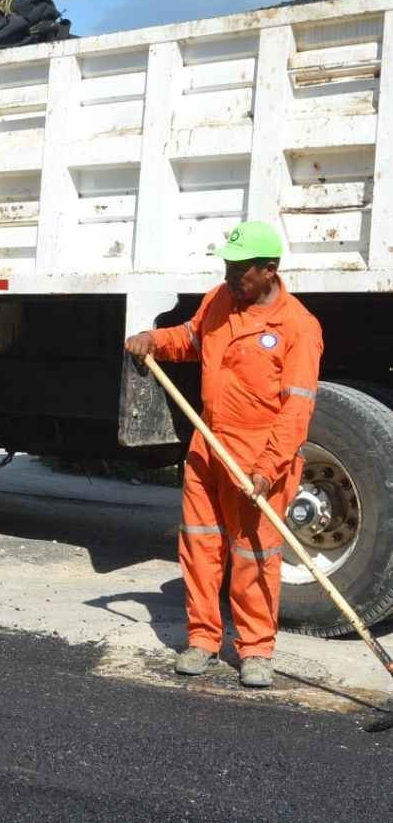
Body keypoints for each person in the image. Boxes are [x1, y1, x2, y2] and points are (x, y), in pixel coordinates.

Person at [125, 221, 323, 687]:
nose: (231, 277)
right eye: (228, 267)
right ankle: (202, 639)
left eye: (241, 270)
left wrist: (268, 469)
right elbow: (193, 340)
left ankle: (255, 650)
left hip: (258, 459)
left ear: (269, 270)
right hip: (207, 445)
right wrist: (154, 340)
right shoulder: (219, 299)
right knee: (199, 545)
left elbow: (296, 411)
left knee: (255, 554)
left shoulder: (297, 327)